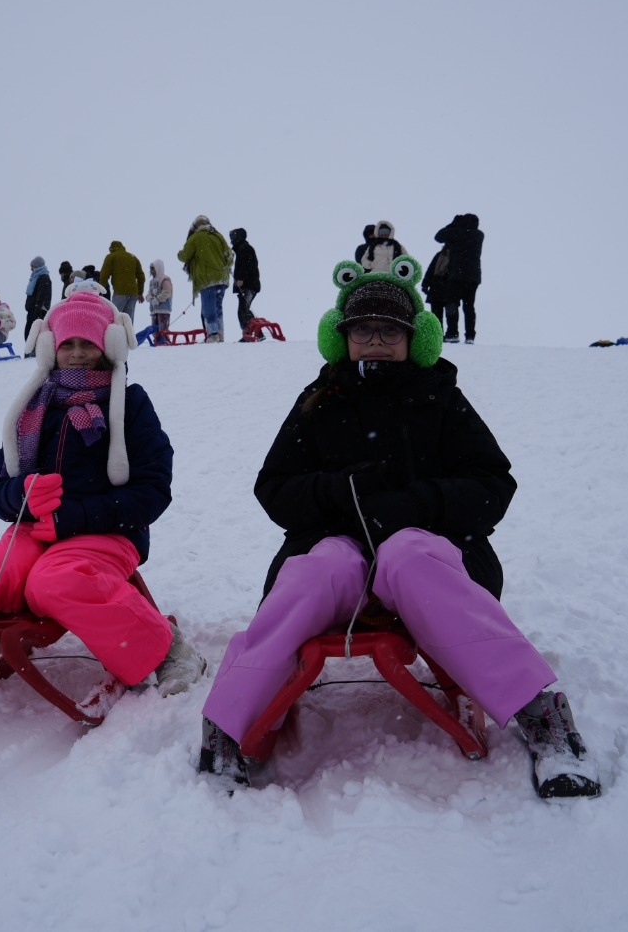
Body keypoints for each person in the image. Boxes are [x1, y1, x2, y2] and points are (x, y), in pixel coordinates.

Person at [195, 258, 602, 799]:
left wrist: (415, 505)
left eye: (391, 331)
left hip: (432, 552)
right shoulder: (321, 401)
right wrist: (338, 491)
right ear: (342, 338)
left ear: (417, 339)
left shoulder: (440, 398)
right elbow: (274, 487)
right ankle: (227, 725)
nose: (377, 341)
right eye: (364, 330)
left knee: (409, 555)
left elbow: (492, 484)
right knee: (319, 569)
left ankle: (545, 719)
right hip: (335, 548)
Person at [0, 292, 206, 708]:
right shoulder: (31, 409)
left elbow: (153, 490)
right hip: (35, 530)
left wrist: (75, 516)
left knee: (55, 580)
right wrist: (19, 495)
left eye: (88, 344)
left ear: (108, 346)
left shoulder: (129, 405)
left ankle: (165, 646)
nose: (77, 354)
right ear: (50, 347)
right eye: (67, 344)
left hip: (107, 530)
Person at [176, 215, 233, 343]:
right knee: (218, 307)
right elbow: (230, 255)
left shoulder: (196, 237)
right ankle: (220, 335)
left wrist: (179, 253)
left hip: (207, 279)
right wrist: (223, 266)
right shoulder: (217, 235)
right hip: (222, 279)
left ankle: (212, 335)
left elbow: (184, 256)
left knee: (208, 308)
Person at [433, 212, 484, 343]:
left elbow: (438, 236)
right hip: (473, 277)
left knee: (452, 303)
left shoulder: (457, 233)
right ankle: (470, 336)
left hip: (456, 275)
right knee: (469, 306)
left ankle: (452, 333)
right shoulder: (479, 235)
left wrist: (453, 224)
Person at [98, 240, 145, 320]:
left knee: (114, 318)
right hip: (133, 293)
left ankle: (115, 332)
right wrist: (140, 292)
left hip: (120, 292)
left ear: (111, 248)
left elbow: (104, 275)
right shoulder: (132, 257)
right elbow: (141, 276)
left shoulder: (111, 257)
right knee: (128, 321)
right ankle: (128, 332)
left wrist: (101, 291)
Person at [229, 227, 261, 341]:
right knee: (244, 309)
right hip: (249, 284)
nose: (231, 241)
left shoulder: (245, 249)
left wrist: (241, 279)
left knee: (243, 310)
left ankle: (252, 334)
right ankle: (256, 333)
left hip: (249, 285)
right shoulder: (242, 249)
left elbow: (247, 265)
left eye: (233, 237)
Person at [24, 257, 53, 356]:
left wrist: (38, 308)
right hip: (33, 309)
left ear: (36, 266)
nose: (31, 268)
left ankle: (34, 353)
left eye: (32, 266)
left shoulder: (43, 277)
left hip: (38, 311)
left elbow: (42, 295)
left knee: (34, 331)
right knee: (29, 330)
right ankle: (30, 352)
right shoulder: (36, 277)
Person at [147, 259, 174, 344]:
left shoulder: (164, 279)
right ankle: (157, 341)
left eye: (153, 268)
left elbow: (167, 291)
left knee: (163, 328)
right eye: (150, 269)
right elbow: (149, 293)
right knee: (154, 328)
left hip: (163, 309)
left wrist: (158, 299)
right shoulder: (152, 282)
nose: (151, 271)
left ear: (158, 268)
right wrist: (149, 297)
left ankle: (165, 341)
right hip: (154, 310)